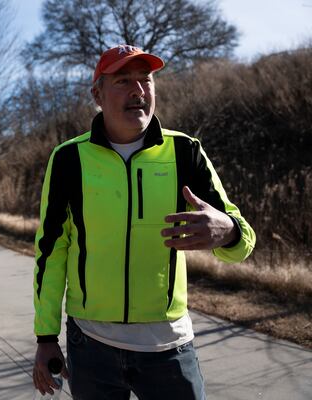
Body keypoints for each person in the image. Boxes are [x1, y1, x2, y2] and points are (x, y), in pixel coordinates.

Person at [32, 45, 256, 400]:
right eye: (122, 80)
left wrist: (226, 231)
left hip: (169, 348)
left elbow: (242, 241)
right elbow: (51, 250)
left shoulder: (185, 151)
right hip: (91, 345)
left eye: (145, 79)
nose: (138, 90)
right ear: (98, 94)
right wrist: (46, 337)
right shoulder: (69, 159)